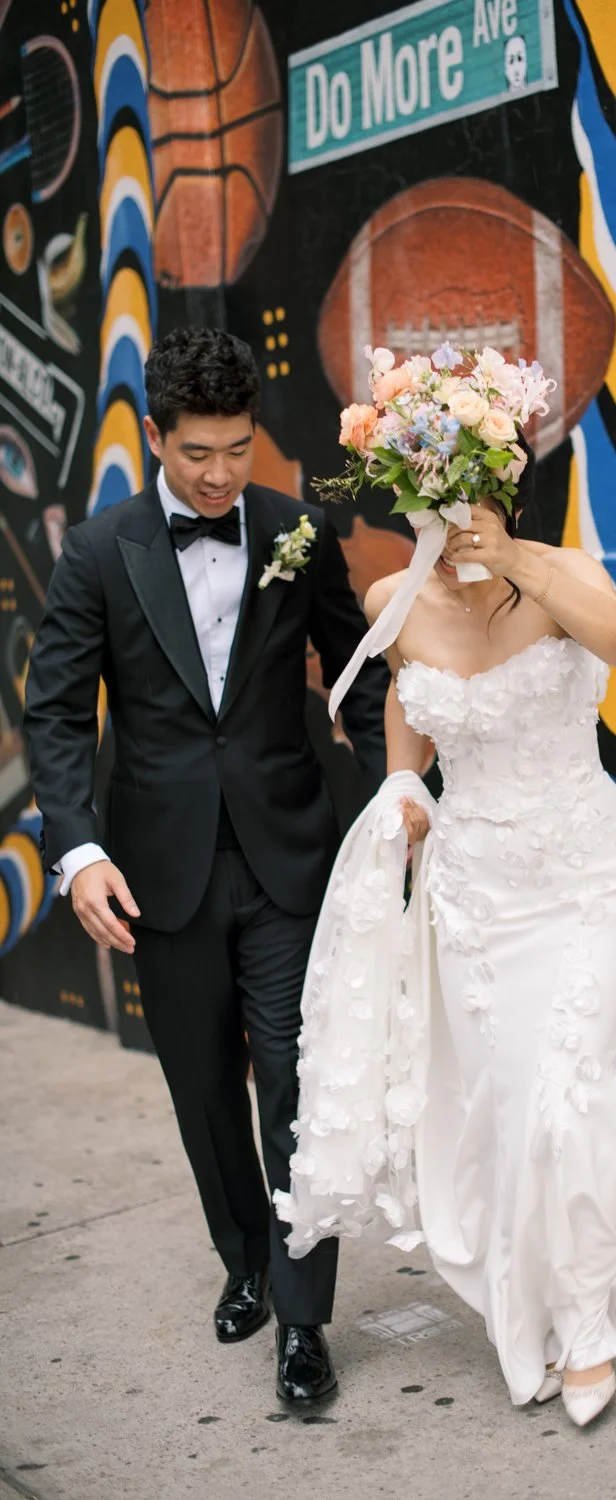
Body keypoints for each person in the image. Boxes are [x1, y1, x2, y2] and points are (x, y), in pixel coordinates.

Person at [23, 327, 388, 1407]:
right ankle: (243, 1261)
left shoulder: (299, 531)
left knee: (292, 1082)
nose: (221, 475)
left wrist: (401, 799)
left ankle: (304, 1320)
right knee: (204, 1091)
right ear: (155, 438)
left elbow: (358, 684)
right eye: (197, 454)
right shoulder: (98, 552)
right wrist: (78, 849)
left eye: (237, 450)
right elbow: (53, 714)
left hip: (288, 857)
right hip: (158, 873)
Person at [278, 452, 616, 1427]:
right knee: (500, 1115)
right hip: (474, 893)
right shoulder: (393, 594)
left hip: (584, 878)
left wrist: (521, 561)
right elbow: (409, 700)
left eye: (461, 513)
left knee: (566, 1101)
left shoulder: (562, 576)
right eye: (422, 514)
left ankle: (588, 1326)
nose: (441, 537)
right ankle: (527, 1310)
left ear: (502, 502)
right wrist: (403, 783)